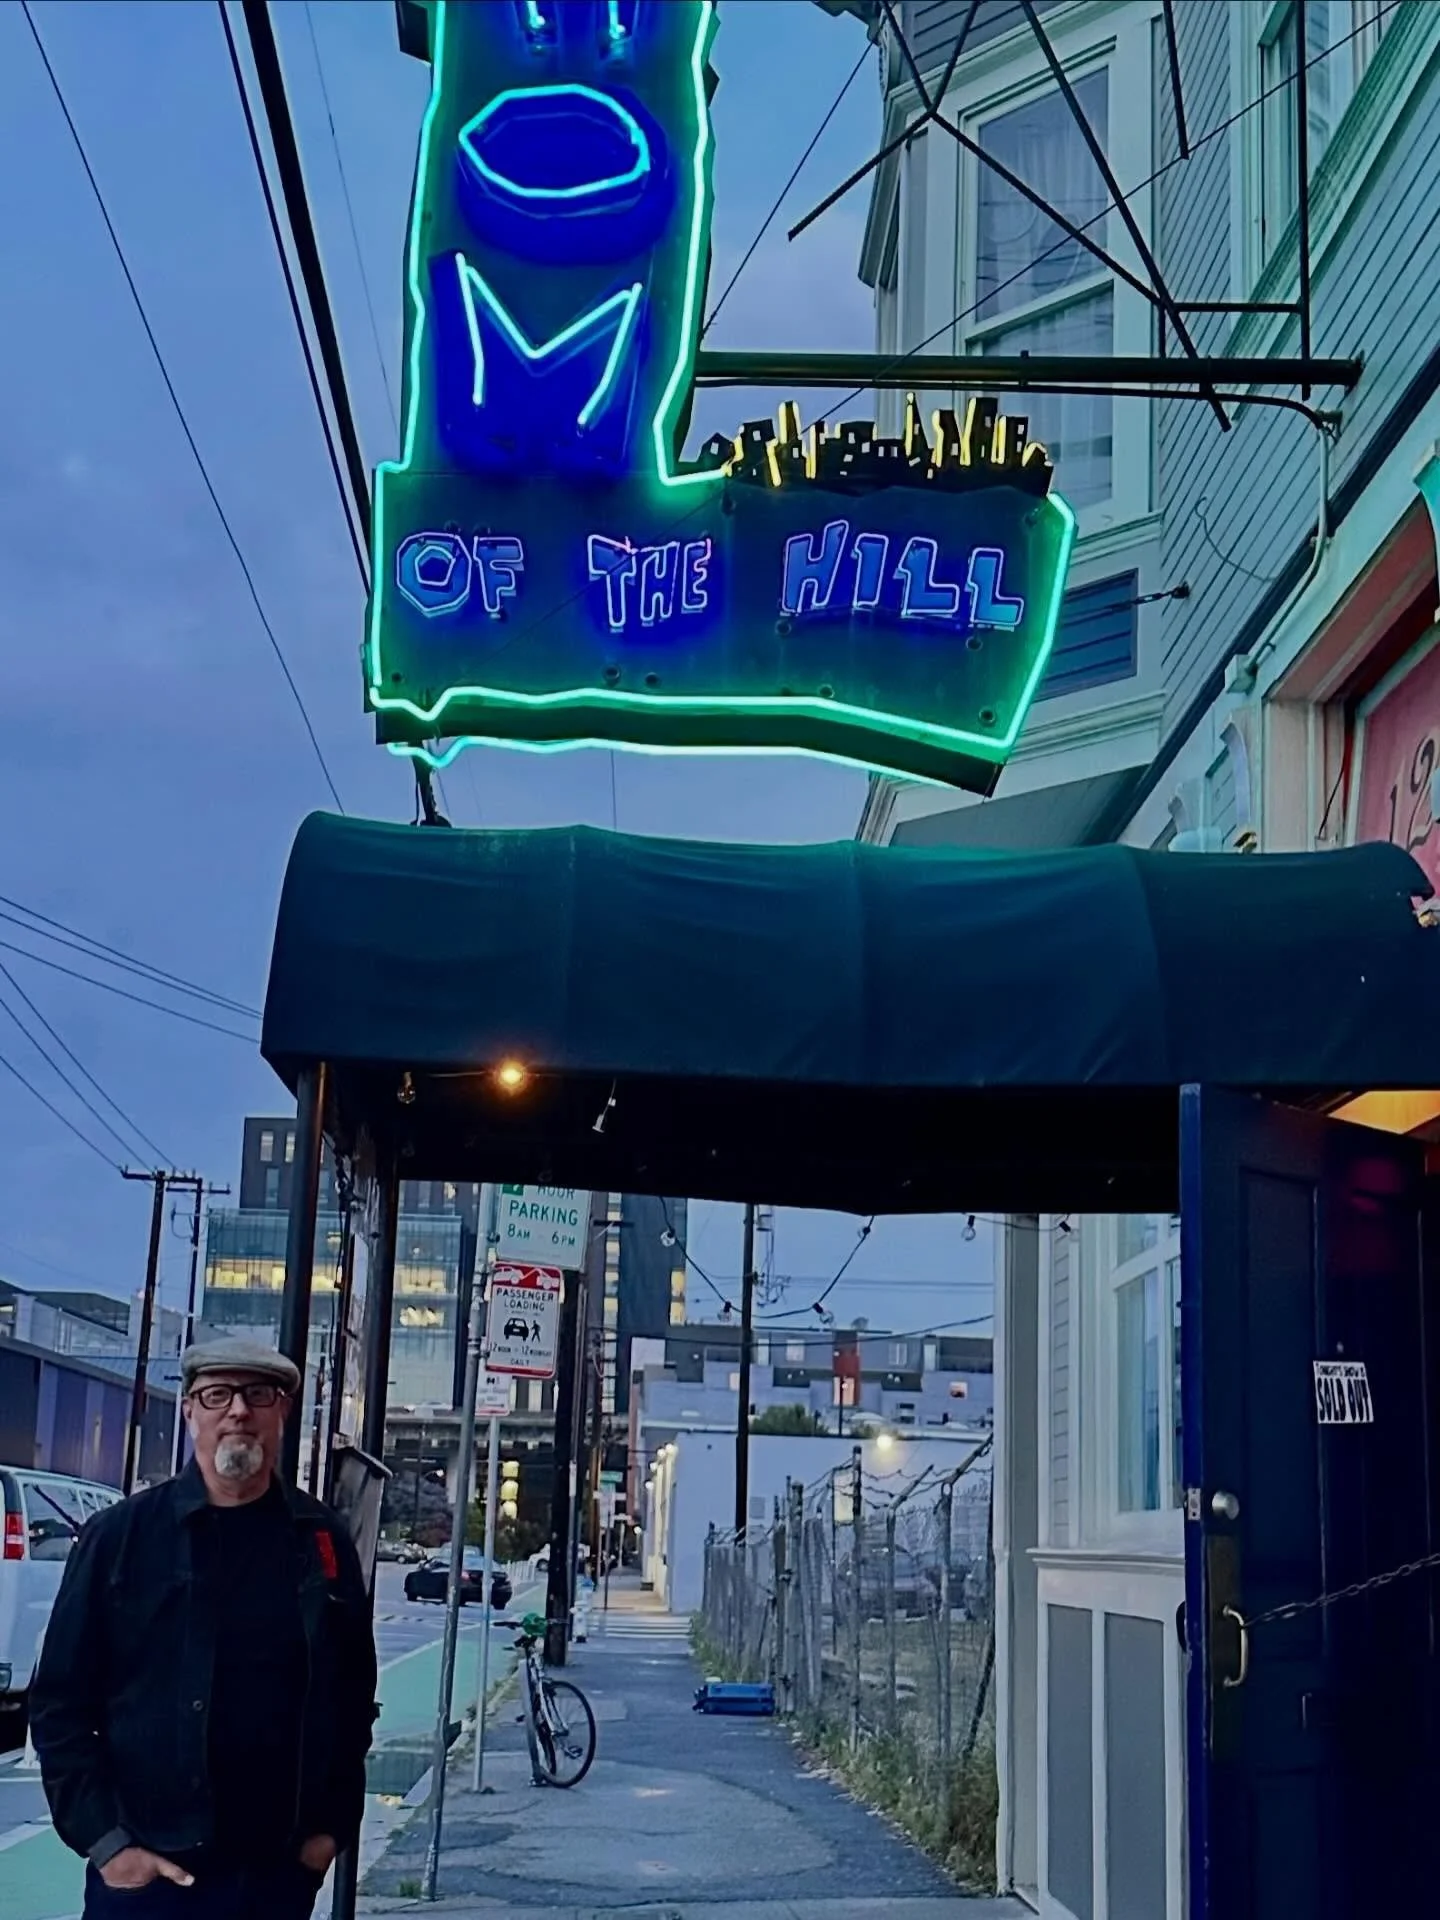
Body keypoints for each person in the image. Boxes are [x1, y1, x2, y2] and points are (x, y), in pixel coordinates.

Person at [30, 1337, 378, 1917]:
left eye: (258, 1394)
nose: (238, 1411)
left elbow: (352, 1696)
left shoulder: (320, 1540)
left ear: (283, 1412)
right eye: (217, 1395)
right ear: (190, 1411)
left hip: (275, 1878)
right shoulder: (120, 1538)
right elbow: (59, 1704)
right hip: (147, 1877)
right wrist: (108, 1844)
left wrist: (326, 1834)